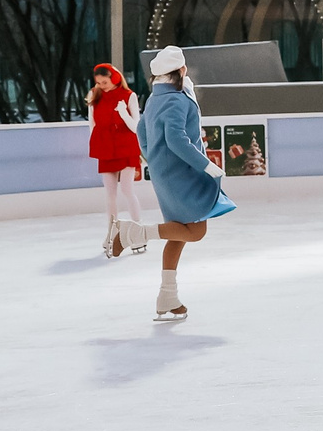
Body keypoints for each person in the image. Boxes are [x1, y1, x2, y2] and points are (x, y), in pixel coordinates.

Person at [138, 44, 232, 322]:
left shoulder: (156, 98)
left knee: (179, 235)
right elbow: (178, 140)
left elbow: (141, 131)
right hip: (181, 172)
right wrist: (206, 164)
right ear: (181, 70)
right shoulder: (176, 99)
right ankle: (134, 234)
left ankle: (168, 295)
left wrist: (153, 158)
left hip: (165, 171)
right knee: (195, 230)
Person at [84, 62, 149, 259]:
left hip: (125, 145)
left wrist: (123, 112)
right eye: (98, 82)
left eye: (104, 81)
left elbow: (135, 126)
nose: (101, 85)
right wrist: (96, 145)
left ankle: (138, 233)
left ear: (114, 77)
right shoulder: (95, 96)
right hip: (105, 147)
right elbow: (92, 124)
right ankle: (112, 233)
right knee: (110, 194)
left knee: (127, 189)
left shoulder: (129, 96)